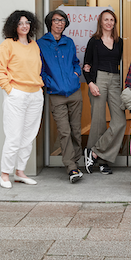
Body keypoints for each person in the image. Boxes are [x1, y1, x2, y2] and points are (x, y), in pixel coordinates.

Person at [0, 10, 44, 189]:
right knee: (14, 136)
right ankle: (4, 175)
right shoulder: (7, 44)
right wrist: (10, 90)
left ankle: (20, 172)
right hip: (17, 95)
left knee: (28, 136)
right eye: (20, 23)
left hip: (35, 94)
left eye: (27, 22)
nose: (24, 26)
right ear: (14, 26)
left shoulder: (34, 45)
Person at [38, 9, 83, 184]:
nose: (59, 23)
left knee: (76, 131)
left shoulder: (68, 42)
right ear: (50, 22)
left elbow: (75, 62)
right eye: (56, 20)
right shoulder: (41, 44)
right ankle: (71, 167)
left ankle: (76, 162)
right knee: (65, 131)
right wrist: (49, 82)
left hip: (74, 92)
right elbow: (39, 69)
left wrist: (75, 74)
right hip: (56, 94)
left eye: (62, 20)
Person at [82, 9, 125, 176]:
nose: (109, 22)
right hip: (98, 79)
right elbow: (86, 66)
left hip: (115, 80)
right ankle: (102, 162)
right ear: (100, 22)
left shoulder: (119, 41)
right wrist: (90, 83)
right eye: (106, 19)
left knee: (120, 121)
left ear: (115, 23)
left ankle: (94, 151)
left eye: (112, 20)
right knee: (98, 121)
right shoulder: (94, 41)